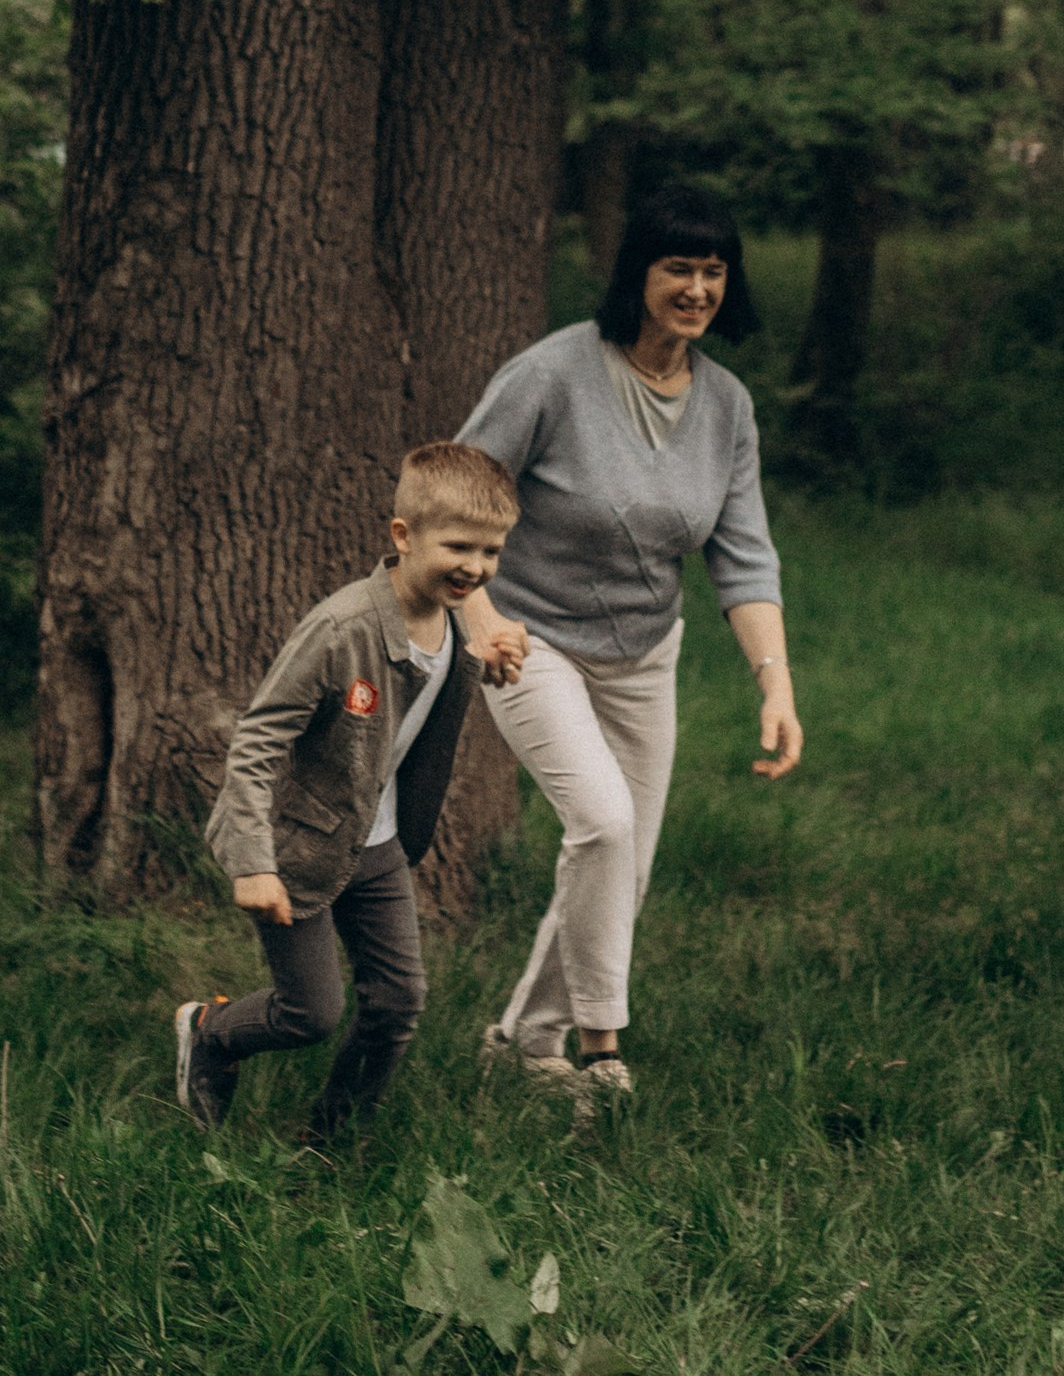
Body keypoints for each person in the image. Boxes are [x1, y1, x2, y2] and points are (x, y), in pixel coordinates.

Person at [457, 183, 804, 1100]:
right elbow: (455, 495)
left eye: (713, 271)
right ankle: (595, 1051)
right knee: (603, 824)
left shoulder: (726, 406)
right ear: (637, 272)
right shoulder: (553, 374)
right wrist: (479, 616)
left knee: (626, 862)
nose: (697, 288)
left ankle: (524, 1044)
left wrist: (775, 684)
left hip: (645, 653)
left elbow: (744, 555)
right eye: (677, 268)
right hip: (529, 638)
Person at [175, 442, 524, 1141]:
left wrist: (483, 667)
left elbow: (417, 695)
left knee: (397, 1003)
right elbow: (258, 739)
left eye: (491, 553)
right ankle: (210, 1033)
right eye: (459, 546)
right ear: (403, 536)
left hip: (380, 844)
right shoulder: (342, 628)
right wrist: (253, 862)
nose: (475, 568)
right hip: (299, 846)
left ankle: (329, 1144)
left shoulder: (454, 622)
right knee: (311, 1013)